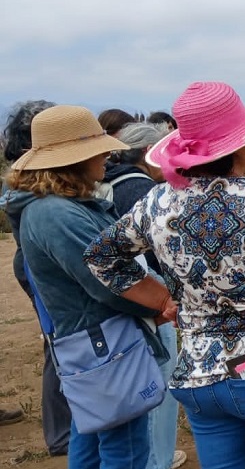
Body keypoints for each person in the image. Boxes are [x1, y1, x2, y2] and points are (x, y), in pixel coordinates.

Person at [84, 81, 245, 469]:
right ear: (240, 146)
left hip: (201, 375)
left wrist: (162, 300)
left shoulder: (156, 201)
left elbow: (102, 256)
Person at [3, 104, 177, 469]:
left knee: (93, 430)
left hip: (90, 342)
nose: (108, 155)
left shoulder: (51, 207)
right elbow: (109, 280)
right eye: (98, 149)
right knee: (124, 446)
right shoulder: (58, 213)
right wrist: (163, 301)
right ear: (73, 160)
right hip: (105, 345)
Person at [100, 122, 187, 469]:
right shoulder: (141, 189)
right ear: (151, 152)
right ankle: (158, 459)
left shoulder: (108, 183)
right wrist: (165, 299)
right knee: (160, 388)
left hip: (123, 305)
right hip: (150, 300)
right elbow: (156, 254)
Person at [0, 100, 71, 454]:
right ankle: (62, 434)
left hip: (31, 262)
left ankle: (64, 430)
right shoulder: (35, 190)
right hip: (39, 266)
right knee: (61, 344)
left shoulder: (22, 183)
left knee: (57, 343)